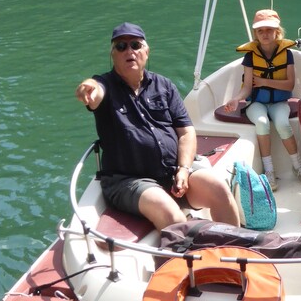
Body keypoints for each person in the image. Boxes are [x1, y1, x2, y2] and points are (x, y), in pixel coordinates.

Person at [75, 22, 240, 231]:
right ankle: (184, 261)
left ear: (146, 51)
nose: (129, 51)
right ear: (113, 54)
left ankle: (235, 251)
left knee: (219, 191)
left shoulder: (164, 86)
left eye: (135, 45)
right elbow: (95, 90)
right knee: (172, 215)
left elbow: (186, 132)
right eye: (121, 47)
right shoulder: (104, 85)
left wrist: (183, 169)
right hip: (129, 180)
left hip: (173, 173)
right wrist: (88, 89)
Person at [223, 9, 301, 191]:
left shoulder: (287, 54)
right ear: (256, 34)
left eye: (269, 30)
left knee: (283, 124)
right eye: (260, 31)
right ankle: (269, 171)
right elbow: (247, 88)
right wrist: (236, 99)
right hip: (256, 103)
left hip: (279, 102)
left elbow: (289, 84)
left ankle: (298, 166)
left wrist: (262, 81)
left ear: (277, 32)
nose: (265, 34)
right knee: (262, 123)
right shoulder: (250, 57)